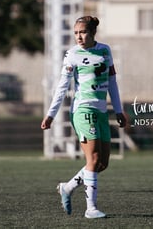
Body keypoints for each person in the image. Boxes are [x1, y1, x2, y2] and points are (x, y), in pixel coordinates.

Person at [41, 16, 126, 219]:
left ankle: (68, 187)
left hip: (101, 111)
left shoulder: (105, 51)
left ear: (92, 32)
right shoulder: (72, 54)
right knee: (93, 158)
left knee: (102, 163)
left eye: (83, 32)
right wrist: (51, 114)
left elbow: (112, 83)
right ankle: (91, 208)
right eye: (76, 32)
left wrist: (119, 110)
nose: (79, 36)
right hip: (83, 110)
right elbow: (62, 86)